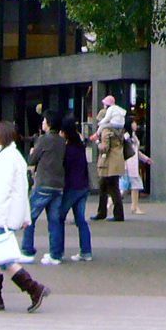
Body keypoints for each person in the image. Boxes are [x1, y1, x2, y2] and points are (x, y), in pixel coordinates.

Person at [0, 120, 49, 312]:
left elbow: (4, 190)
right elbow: (21, 189)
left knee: (2, 257)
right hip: (8, 214)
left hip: (2, 215)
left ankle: (33, 288)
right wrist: (25, 216)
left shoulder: (6, 159)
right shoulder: (13, 156)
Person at [23, 113, 66, 264]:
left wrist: (32, 152)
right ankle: (55, 255)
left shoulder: (43, 139)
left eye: (44, 120)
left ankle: (27, 251)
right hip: (58, 185)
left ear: (48, 123)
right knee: (54, 221)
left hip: (43, 183)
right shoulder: (62, 141)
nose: (42, 123)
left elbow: (32, 159)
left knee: (29, 217)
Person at [58, 117, 94, 260]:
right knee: (80, 219)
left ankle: (58, 252)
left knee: (59, 217)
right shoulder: (79, 146)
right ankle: (86, 251)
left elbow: (64, 168)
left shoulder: (67, 149)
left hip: (72, 187)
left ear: (64, 132)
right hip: (83, 186)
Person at [93, 109, 127, 222]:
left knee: (111, 188)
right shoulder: (119, 130)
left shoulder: (106, 130)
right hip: (118, 161)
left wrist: (97, 142)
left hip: (108, 163)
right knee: (109, 187)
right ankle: (104, 212)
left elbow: (104, 148)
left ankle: (113, 214)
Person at [122, 121, 149, 216]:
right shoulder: (126, 136)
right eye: (133, 123)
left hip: (133, 164)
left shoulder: (133, 136)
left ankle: (134, 206)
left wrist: (145, 159)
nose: (136, 125)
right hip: (128, 165)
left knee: (129, 187)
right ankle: (134, 207)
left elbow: (136, 151)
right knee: (128, 187)